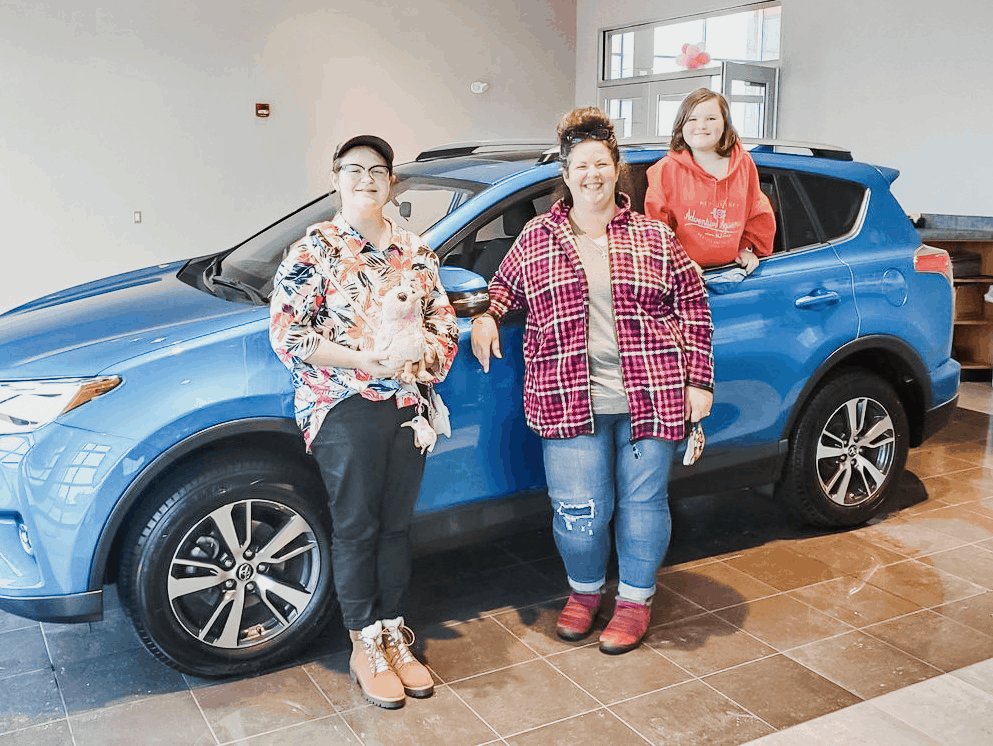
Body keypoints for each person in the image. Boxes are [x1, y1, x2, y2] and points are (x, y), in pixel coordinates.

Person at [471, 108, 714, 654]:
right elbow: (503, 288)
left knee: (644, 505)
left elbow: (694, 306)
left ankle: (633, 600)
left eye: (601, 163)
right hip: (565, 397)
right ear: (566, 171)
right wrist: (487, 315)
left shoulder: (654, 235)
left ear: (616, 168)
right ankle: (584, 593)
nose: (591, 174)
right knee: (579, 511)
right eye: (580, 165)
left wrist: (700, 382)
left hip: (651, 392)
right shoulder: (538, 236)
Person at [269, 135, 459, 709]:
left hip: (408, 405)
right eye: (355, 169)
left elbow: (442, 321)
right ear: (336, 178)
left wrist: (429, 355)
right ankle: (363, 644)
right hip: (342, 402)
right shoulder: (315, 250)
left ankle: (394, 634)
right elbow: (288, 333)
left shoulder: (415, 250)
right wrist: (361, 361)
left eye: (378, 170)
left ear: (392, 182)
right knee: (356, 526)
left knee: (396, 525)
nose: (367, 179)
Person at [645, 88, 775, 274]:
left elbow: (757, 210)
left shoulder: (743, 163)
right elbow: (655, 227)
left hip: (735, 275)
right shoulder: (665, 170)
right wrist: (679, 262)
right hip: (683, 279)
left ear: (725, 124)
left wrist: (747, 248)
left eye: (711, 118)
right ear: (681, 125)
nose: (701, 126)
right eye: (692, 119)